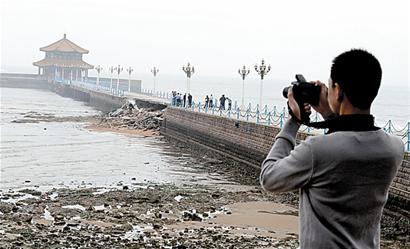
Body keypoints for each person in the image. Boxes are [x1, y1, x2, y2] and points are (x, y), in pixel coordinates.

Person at [260, 49, 404, 249]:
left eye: (330, 86)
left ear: (338, 90)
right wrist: (329, 113)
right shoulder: (394, 149)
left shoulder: (316, 151)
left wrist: (294, 121)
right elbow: (351, 142)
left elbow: (269, 178)